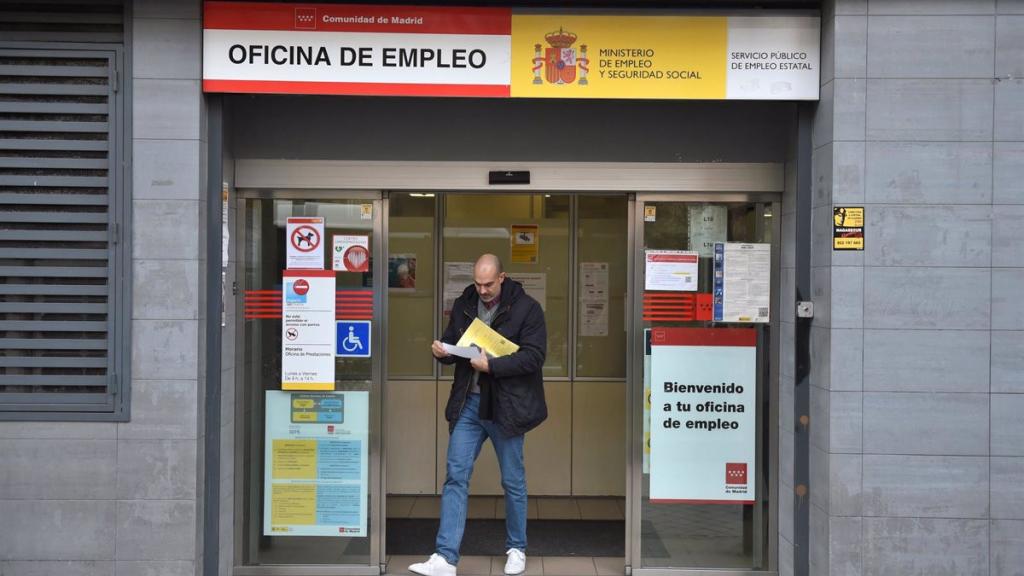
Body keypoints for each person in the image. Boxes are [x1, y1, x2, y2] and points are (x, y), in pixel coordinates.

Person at [409, 254, 547, 576]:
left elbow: (534, 357)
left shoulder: (527, 308)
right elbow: (455, 343)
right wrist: (442, 351)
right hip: (469, 404)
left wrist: (492, 366)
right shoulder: (465, 303)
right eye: (477, 283)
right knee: (456, 475)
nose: (482, 290)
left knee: (512, 480)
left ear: (502, 278)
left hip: (504, 407)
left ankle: (516, 548)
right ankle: (445, 558)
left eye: (488, 284)